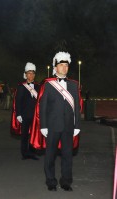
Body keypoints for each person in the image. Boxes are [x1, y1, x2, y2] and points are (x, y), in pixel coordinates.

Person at [31, 52, 81, 192]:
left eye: (66, 65)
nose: (64, 68)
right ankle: (51, 181)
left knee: (67, 156)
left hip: (69, 127)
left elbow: (77, 106)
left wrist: (77, 125)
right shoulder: (48, 85)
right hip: (52, 126)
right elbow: (43, 106)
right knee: (50, 156)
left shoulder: (73, 85)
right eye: (61, 65)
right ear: (55, 67)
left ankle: (66, 181)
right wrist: (43, 126)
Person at [15, 62, 40, 160]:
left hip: (35, 115)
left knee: (34, 135)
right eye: (29, 73)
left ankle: (32, 153)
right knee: (25, 135)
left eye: (33, 73)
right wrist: (18, 114)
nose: (31, 75)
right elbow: (18, 101)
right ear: (25, 74)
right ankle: (24, 153)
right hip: (25, 115)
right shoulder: (21, 86)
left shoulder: (38, 86)